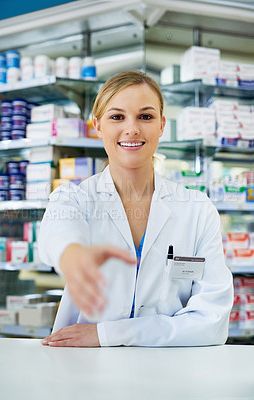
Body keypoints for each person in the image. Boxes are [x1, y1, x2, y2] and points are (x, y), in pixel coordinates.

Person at [39, 70, 233, 348]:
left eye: (146, 116)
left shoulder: (197, 210)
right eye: (117, 117)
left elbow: (211, 322)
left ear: (162, 125)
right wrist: (72, 257)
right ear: (98, 125)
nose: (132, 129)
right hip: (84, 370)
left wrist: (106, 334)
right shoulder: (75, 198)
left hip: (170, 372)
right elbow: (58, 234)